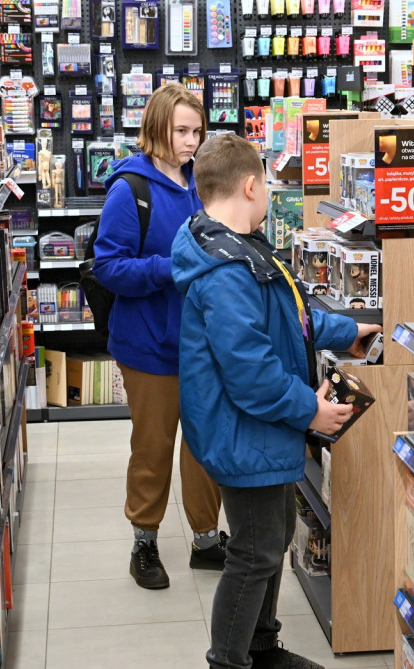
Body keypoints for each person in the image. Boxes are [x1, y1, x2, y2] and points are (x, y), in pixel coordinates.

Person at [172, 133, 382, 669]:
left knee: (274, 537)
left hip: (259, 430)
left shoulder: (243, 249)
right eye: (265, 183)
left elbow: (289, 320)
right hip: (243, 431)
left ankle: (261, 647)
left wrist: (345, 331)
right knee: (254, 551)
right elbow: (251, 373)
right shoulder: (227, 272)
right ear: (250, 185)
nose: (267, 192)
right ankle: (229, 660)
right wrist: (310, 409)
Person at [92, 82, 224, 590]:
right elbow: (109, 267)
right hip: (149, 344)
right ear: (155, 129)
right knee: (153, 446)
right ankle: (144, 542)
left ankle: (206, 539)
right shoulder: (131, 190)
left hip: (203, 342)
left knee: (204, 444)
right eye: (181, 131)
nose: (191, 142)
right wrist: (172, 267)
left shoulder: (201, 182)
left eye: (197, 131)